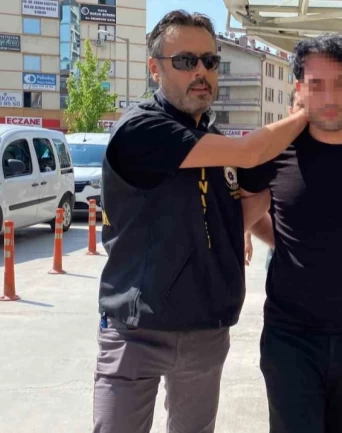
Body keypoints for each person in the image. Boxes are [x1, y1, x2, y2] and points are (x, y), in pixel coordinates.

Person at [93, 10, 307, 433]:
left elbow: (237, 212)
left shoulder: (215, 144)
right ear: (154, 68)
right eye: (185, 61)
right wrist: (310, 112)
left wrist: (266, 207)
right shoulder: (142, 130)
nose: (201, 72)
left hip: (205, 329)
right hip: (136, 330)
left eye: (210, 61)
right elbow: (250, 153)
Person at [240, 34, 342, 433]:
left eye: (341, 82)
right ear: (299, 87)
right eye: (316, 84)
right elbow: (246, 207)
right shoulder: (274, 151)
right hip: (289, 339)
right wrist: (280, 238)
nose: (329, 97)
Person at [249, 88, 303, 271]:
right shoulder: (273, 151)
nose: (306, 114)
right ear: (290, 110)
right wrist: (280, 243)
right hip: (282, 261)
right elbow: (248, 200)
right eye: (301, 106)